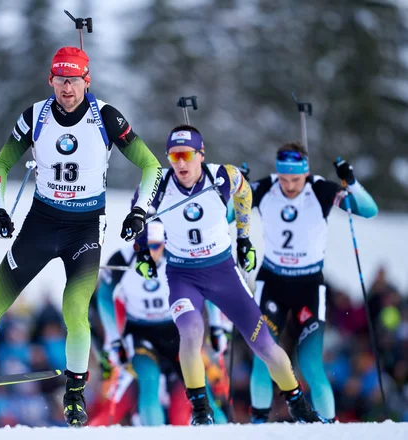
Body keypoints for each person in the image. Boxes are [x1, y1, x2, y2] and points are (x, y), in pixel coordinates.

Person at [0, 46, 162, 427]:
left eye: (74, 80)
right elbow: (0, 164)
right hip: (41, 223)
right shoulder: (35, 116)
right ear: (51, 80)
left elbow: (151, 165)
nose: (67, 88)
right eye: (61, 80)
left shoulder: (106, 116)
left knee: (75, 312)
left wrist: (139, 211)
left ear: (86, 81)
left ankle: (75, 392)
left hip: (84, 227)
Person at [135, 124, 327, 425]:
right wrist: (143, 253)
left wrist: (244, 238)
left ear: (201, 154)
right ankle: (201, 410)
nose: (180, 163)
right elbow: (140, 215)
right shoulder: (159, 184)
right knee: (191, 332)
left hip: (222, 272)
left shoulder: (222, 176)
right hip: (183, 275)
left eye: (186, 155)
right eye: (173, 156)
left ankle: (297, 403)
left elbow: (244, 192)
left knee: (264, 344)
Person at [248, 143, 378, 423]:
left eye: (296, 179)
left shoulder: (319, 189)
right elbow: (226, 215)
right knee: (262, 358)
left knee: (310, 365)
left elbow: (368, 210)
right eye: (285, 179)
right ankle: (256, 426)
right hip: (272, 284)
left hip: (308, 287)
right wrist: (235, 189)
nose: (290, 186)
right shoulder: (265, 187)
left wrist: (352, 183)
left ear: (306, 174)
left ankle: (328, 427)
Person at [95, 220, 229, 425]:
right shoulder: (122, 258)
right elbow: (104, 295)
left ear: (165, 244)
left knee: (200, 387)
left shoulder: (179, 257)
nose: (150, 253)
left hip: (174, 330)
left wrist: (217, 326)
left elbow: (207, 288)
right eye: (144, 247)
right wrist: (114, 340)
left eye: (155, 246)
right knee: (149, 379)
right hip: (139, 331)